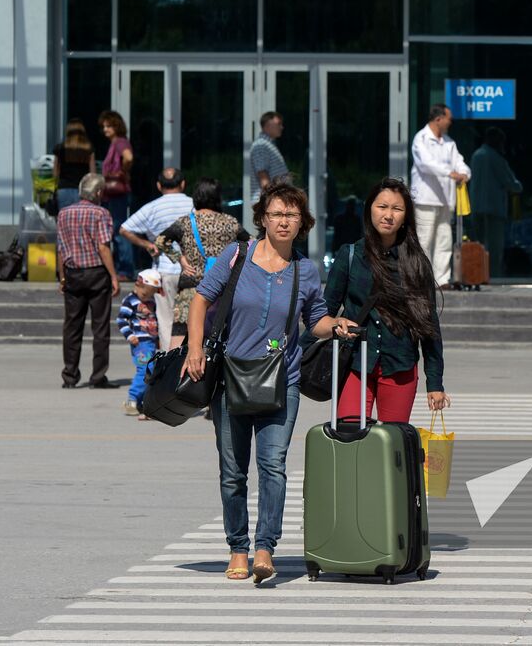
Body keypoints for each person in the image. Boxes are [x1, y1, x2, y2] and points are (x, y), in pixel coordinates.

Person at [184, 183, 358, 585]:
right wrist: (195, 349)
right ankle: (238, 548)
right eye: (277, 213)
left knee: (273, 466)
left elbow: (315, 320)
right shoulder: (236, 256)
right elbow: (200, 301)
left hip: (283, 379)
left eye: (292, 215)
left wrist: (336, 325)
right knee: (232, 471)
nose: (284, 221)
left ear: (303, 224)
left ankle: (265, 547)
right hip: (231, 377)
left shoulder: (305, 269)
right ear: (262, 217)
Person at [324, 177, 450, 424]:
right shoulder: (350, 256)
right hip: (355, 364)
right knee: (350, 439)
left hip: (400, 366)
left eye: (397, 208)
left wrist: (435, 382)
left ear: (405, 217)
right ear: (369, 208)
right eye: (382, 206)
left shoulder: (416, 263)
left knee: (392, 446)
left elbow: (429, 326)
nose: (388, 215)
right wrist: (336, 322)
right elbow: (324, 312)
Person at [157, 176, 241, 350]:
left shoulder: (186, 222)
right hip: (222, 290)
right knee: (220, 338)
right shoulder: (231, 222)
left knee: (180, 339)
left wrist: (179, 258)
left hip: (191, 286)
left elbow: (160, 241)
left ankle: (178, 375)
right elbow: (251, 243)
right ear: (218, 197)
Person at [56, 173, 119, 389]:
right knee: (100, 327)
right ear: (99, 192)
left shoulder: (64, 213)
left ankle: (70, 376)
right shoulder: (101, 213)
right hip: (96, 273)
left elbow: (61, 249)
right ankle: (98, 376)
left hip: (73, 273)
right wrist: (113, 276)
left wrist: (62, 276)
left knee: (72, 326)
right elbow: (103, 247)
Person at [121, 168, 194, 338]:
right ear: (183, 184)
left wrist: (146, 243)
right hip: (192, 270)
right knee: (193, 319)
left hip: (165, 271)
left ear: (159, 185)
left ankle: (169, 361)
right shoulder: (194, 205)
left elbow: (124, 229)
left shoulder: (152, 207)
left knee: (166, 321)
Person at [409, 104, 470, 288]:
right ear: (438, 119)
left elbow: (460, 163)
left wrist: (464, 173)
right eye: (448, 119)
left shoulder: (449, 142)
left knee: (444, 240)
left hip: (445, 200)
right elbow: (427, 164)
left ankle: (441, 279)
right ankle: (421, 280)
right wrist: (451, 173)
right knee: (424, 240)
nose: (450, 122)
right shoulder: (421, 139)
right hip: (425, 199)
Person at [468, 128, 523, 278]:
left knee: (478, 245)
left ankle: (477, 275)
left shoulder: (476, 155)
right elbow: (510, 183)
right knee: (494, 248)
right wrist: (518, 187)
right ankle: (493, 276)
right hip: (494, 209)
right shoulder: (495, 158)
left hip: (477, 207)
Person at [118, 268, 162, 418]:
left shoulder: (151, 301)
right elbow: (121, 320)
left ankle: (142, 401)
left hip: (150, 342)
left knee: (150, 371)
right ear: (138, 285)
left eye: (151, 294)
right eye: (145, 293)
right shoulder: (130, 301)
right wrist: (129, 335)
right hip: (139, 343)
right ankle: (132, 399)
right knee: (144, 370)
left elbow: (154, 321)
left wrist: (157, 339)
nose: (147, 297)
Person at [98, 110, 135, 280]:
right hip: (112, 194)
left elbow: (128, 157)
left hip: (116, 194)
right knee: (115, 230)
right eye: (104, 126)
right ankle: (122, 268)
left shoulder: (120, 142)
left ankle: (125, 270)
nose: (105, 129)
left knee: (118, 230)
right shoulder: (115, 143)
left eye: (108, 126)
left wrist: (122, 172)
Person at [53, 118, 95, 212]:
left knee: (64, 220)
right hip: (82, 190)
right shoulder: (88, 148)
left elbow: (55, 172)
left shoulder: (60, 148)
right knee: (81, 221)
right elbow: (92, 173)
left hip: (64, 188)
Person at [249, 111, 290, 197]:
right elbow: (263, 178)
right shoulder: (261, 145)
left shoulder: (267, 144)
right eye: (278, 124)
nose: (281, 127)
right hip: (269, 202)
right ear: (268, 125)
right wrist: (270, 200)